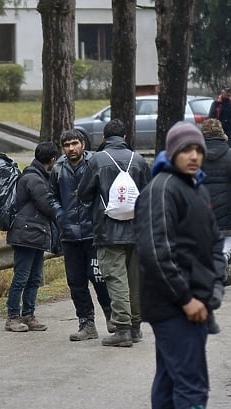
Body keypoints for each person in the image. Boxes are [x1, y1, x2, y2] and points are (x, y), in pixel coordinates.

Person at [135, 121, 231, 409]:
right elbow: (156, 252)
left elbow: (214, 240)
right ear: (171, 152)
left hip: (194, 303)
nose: (194, 156)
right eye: (187, 150)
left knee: (170, 383)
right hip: (176, 308)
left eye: (199, 150)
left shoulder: (196, 189)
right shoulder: (161, 189)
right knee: (191, 386)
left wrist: (216, 285)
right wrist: (187, 298)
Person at [77, 118, 150, 347]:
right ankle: (136, 328)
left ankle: (122, 329)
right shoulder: (138, 160)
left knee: (115, 278)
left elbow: (84, 194)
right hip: (136, 229)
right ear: (125, 137)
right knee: (134, 278)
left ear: (104, 139)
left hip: (108, 230)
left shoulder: (97, 160)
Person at [50, 130, 113, 340]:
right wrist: (60, 215)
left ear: (83, 144)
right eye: (66, 145)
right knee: (75, 281)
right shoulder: (58, 168)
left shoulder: (95, 163)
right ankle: (86, 323)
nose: (71, 148)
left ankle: (113, 316)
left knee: (98, 276)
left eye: (74, 143)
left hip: (93, 233)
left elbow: (105, 192)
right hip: (69, 234)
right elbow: (52, 196)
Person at [4, 142, 59, 332]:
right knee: (22, 277)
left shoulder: (38, 176)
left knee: (34, 278)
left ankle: (28, 315)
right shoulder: (34, 179)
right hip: (26, 235)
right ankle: (12, 317)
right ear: (53, 159)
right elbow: (48, 205)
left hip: (35, 234)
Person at [200, 118, 231, 286]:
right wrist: (230, 194)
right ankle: (223, 256)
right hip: (226, 203)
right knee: (228, 236)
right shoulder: (230, 154)